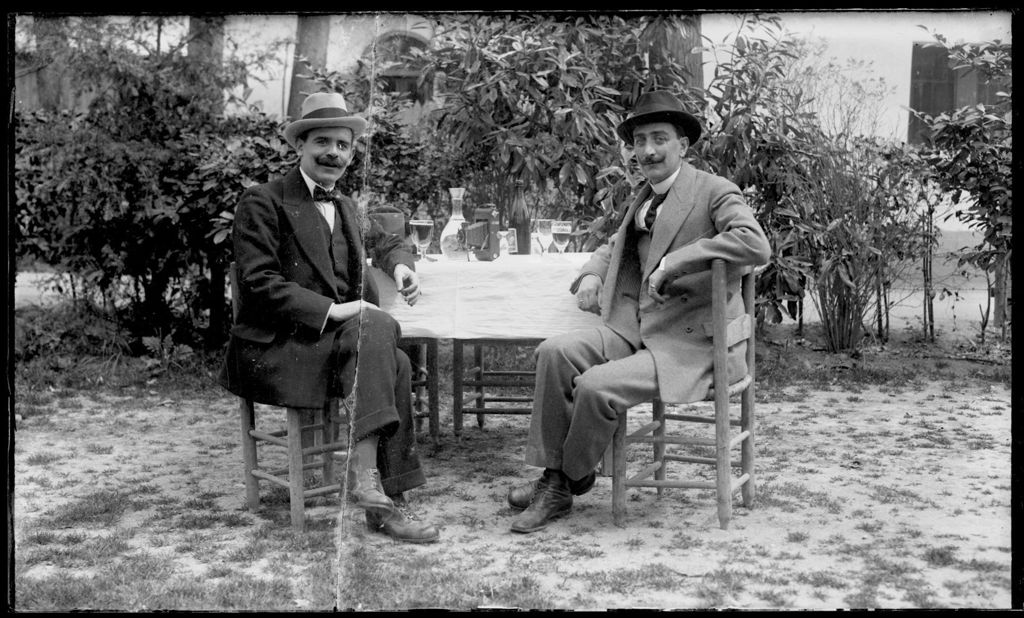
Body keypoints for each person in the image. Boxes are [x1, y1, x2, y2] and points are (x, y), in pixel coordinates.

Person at [507, 90, 772, 533]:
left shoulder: (713, 191)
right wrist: (592, 274)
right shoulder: (644, 196)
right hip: (636, 329)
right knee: (554, 352)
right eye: (640, 141)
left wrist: (678, 260)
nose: (647, 150)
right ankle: (559, 475)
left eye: (659, 139)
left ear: (682, 145)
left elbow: (754, 243)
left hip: (690, 345)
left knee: (595, 387)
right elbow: (615, 245)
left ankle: (564, 481)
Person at [219, 91, 439, 543]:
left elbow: (387, 241)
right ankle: (376, 491)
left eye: (343, 145)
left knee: (387, 352)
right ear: (299, 145)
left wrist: (400, 266)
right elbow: (258, 284)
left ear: (352, 153)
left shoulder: (345, 207)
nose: (333, 153)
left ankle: (378, 498)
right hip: (284, 345)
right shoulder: (263, 201)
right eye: (322, 141)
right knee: (384, 342)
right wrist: (335, 309)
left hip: (342, 346)